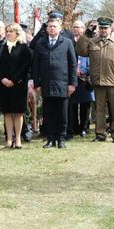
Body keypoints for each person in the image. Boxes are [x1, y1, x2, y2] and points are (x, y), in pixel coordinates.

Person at [76, 17, 114, 143]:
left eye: (106, 28)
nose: (103, 30)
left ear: (110, 29)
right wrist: (87, 34)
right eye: (101, 28)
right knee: (99, 109)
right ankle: (100, 133)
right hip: (98, 81)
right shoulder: (93, 42)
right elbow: (80, 50)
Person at [32, 18, 77, 149]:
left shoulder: (67, 42)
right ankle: (50, 139)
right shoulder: (40, 43)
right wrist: (37, 85)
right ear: (46, 29)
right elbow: (35, 66)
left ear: (60, 28)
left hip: (62, 84)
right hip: (46, 84)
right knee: (48, 113)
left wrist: (72, 84)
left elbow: (73, 64)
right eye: (50, 26)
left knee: (62, 113)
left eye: (54, 26)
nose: (52, 28)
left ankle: (61, 138)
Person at [0, 23, 32, 149]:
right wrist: (3, 79)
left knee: (18, 112)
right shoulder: (1, 47)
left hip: (19, 85)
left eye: (11, 31)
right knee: (7, 112)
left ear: (17, 33)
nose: (8, 33)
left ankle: (18, 139)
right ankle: (9, 139)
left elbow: (25, 66)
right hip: (4, 85)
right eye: (7, 31)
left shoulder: (24, 48)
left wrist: (14, 80)